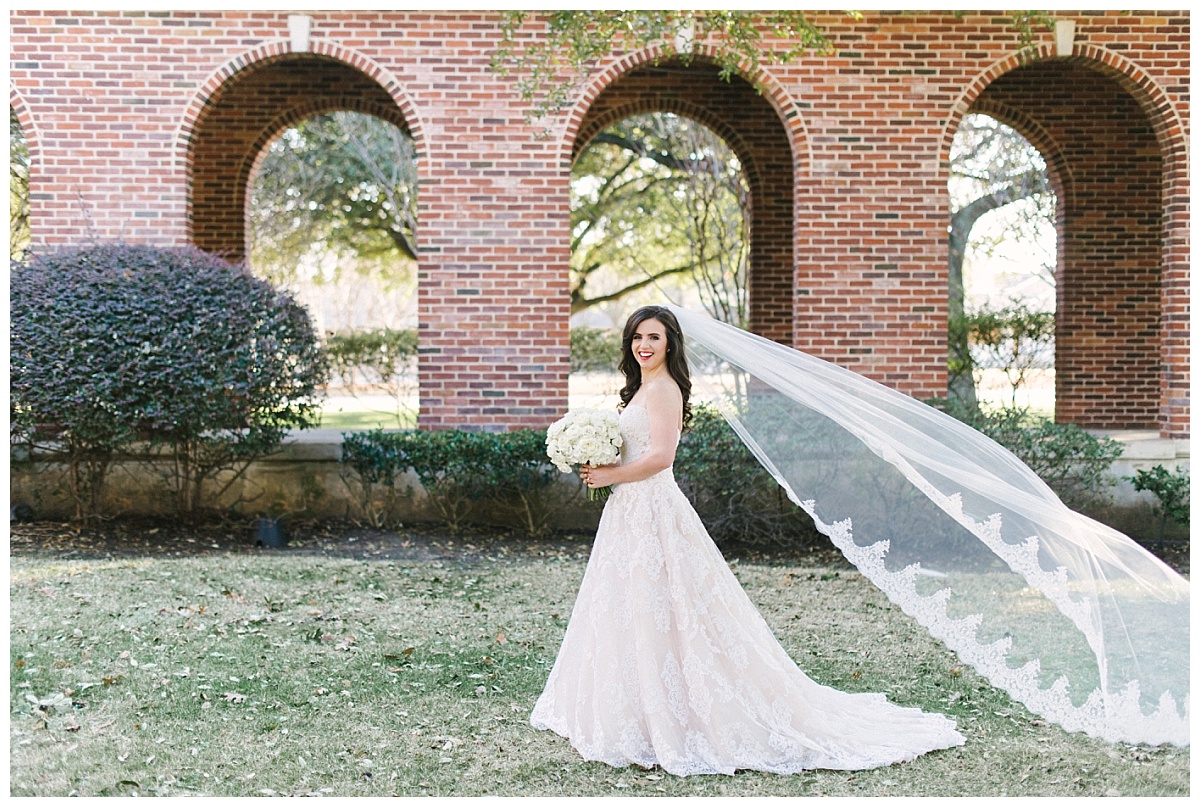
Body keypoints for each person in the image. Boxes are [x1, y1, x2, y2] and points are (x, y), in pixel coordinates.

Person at [530, 305, 966, 775]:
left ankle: (682, 711)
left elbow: (660, 457)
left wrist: (609, 473)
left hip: (654, 508)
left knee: (674, 607)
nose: (644, 345)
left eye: (653, 337)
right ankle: (635, 708)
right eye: (637, 337)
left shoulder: (664, 390)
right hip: (629, 511)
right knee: (634, 607)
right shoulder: (642, 389)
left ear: (670, 344)